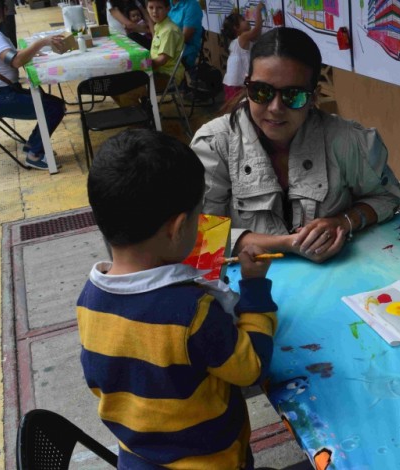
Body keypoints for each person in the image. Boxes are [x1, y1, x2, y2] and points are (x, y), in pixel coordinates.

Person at [78, 128, 278, 469]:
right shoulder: (193, 313)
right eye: (199, 215)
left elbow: (101, 380)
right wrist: (255, 289)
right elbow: (251, 369)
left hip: (138, 457)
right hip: (212, 461)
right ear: (177, 227)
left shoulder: (90, 297)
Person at [191, 27, 400, 263]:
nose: (275, 108)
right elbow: (203, 235)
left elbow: (387, 197)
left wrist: (344, 221)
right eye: (262, 91)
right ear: (247, 86)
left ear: (313, 97)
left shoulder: (346, 141)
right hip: (247, 284)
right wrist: (288, 244)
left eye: (293, 95)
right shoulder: (215, 145)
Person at [0, 0, 66, 170]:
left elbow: (9, 55)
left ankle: (33, 145)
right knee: (54, 107)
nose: (6, 10)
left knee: (49, 102)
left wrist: (33, 51)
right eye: (3, 7)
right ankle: (35, 154)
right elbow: (15, 61)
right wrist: (42, 42)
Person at [221, 3, 265, 104]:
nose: (247, 21)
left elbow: (255, 37)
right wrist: (258, 11)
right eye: (243, 20)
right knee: (237, 107)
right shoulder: (242, 37)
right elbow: (257, 30)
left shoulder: (241, 40)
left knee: (236, 107)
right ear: (236, 28)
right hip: (235, 85)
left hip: (233, 83)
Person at [168, 0, 203, 68]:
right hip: (168, 47)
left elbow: (184, 38)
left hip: (185, 52)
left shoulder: (192, 6)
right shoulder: (167, 3)